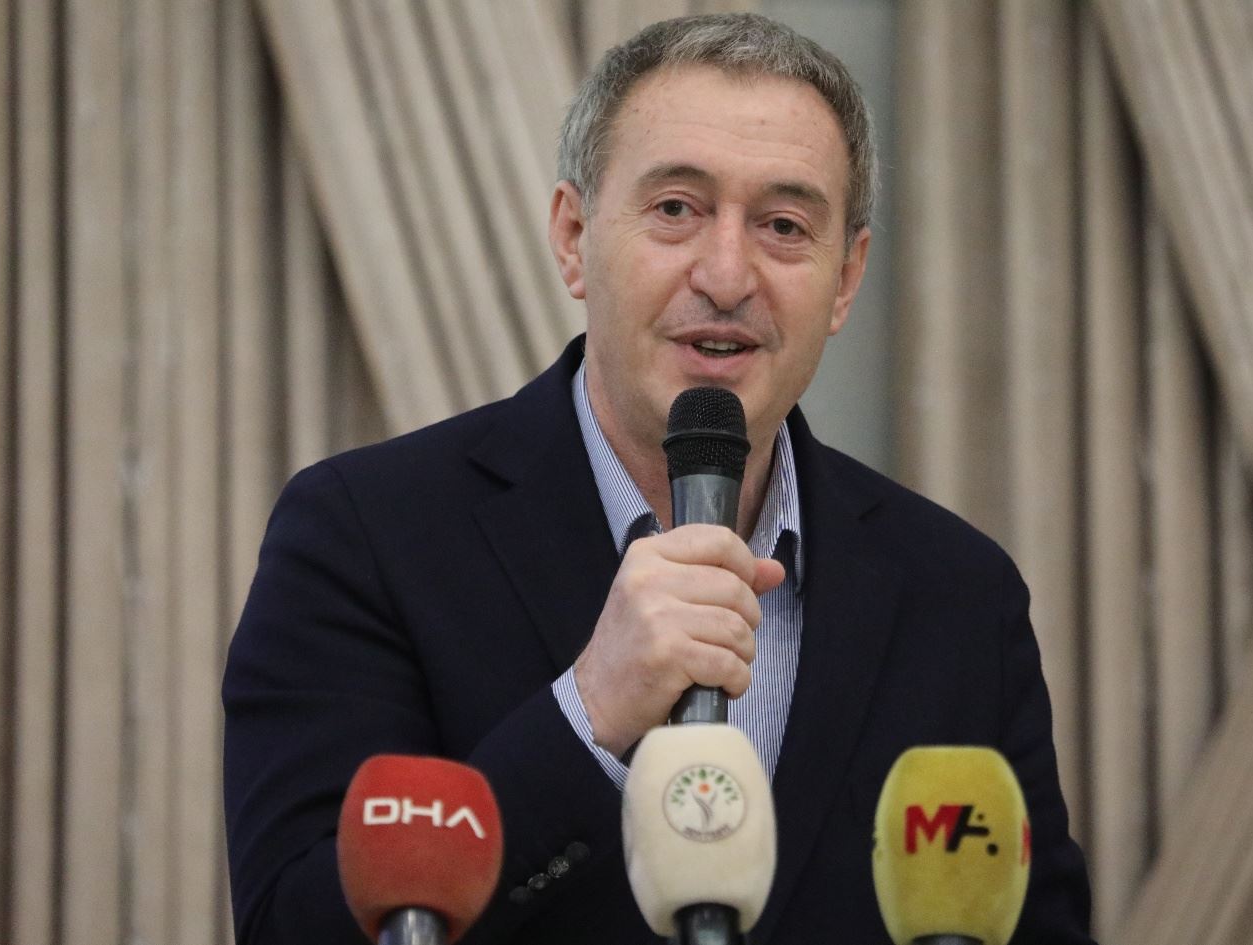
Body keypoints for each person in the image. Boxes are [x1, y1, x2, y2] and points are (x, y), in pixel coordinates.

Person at [223, 13, 1093, 944]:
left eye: (784, 225)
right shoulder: (365, 535)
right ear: (573, 237)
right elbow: (294, 926)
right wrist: (588, 712)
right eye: (677, 209)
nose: (726, 275)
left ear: (845, 279)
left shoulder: (959, 597)